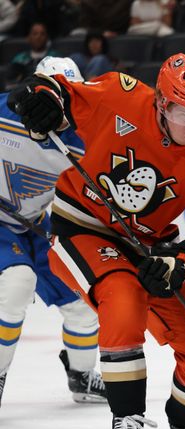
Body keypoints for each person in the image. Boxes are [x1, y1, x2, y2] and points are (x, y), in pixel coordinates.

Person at [7, 53, 185, 429]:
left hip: (152, 246)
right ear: (162, 103)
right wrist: (39, 93)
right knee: (123, 297)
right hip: (83, 228)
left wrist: (181, 263)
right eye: (184, 111)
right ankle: (127, 416)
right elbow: (61, 93)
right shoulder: (121, 94)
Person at [0, 56, 105, 408]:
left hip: (36, 225)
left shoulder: (84, 142)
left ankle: (81, 375)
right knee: (17, 282)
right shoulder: (4, 114)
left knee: (84, 297)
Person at [7, 22, 59, 88]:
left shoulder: (55, 57)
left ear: (47, 38)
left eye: (42, 34)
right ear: (28, 38)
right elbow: (11, 83)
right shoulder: (19, 59)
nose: (38, 37)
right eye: (35, 34)